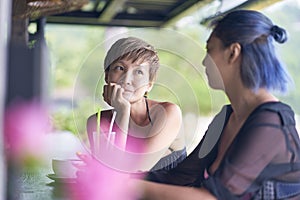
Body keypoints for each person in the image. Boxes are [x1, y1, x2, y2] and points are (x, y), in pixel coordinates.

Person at [135, 10, 300, 199]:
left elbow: (212, 197)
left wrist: (126, 187)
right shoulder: (227, 116)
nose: (205, 61)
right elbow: (181, 176)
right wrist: (111, 176)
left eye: (210, 50)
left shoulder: (272, 123)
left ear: (233, 53)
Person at [86, 37, 186, 172]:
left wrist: (122, 111)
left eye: (139, 72)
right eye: (120, 68)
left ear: (149, 85)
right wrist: (122, 113)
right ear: (107, 76)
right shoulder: (96, 122)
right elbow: (107, 179)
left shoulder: (168, 113)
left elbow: (134, 171)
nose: (126, 80)